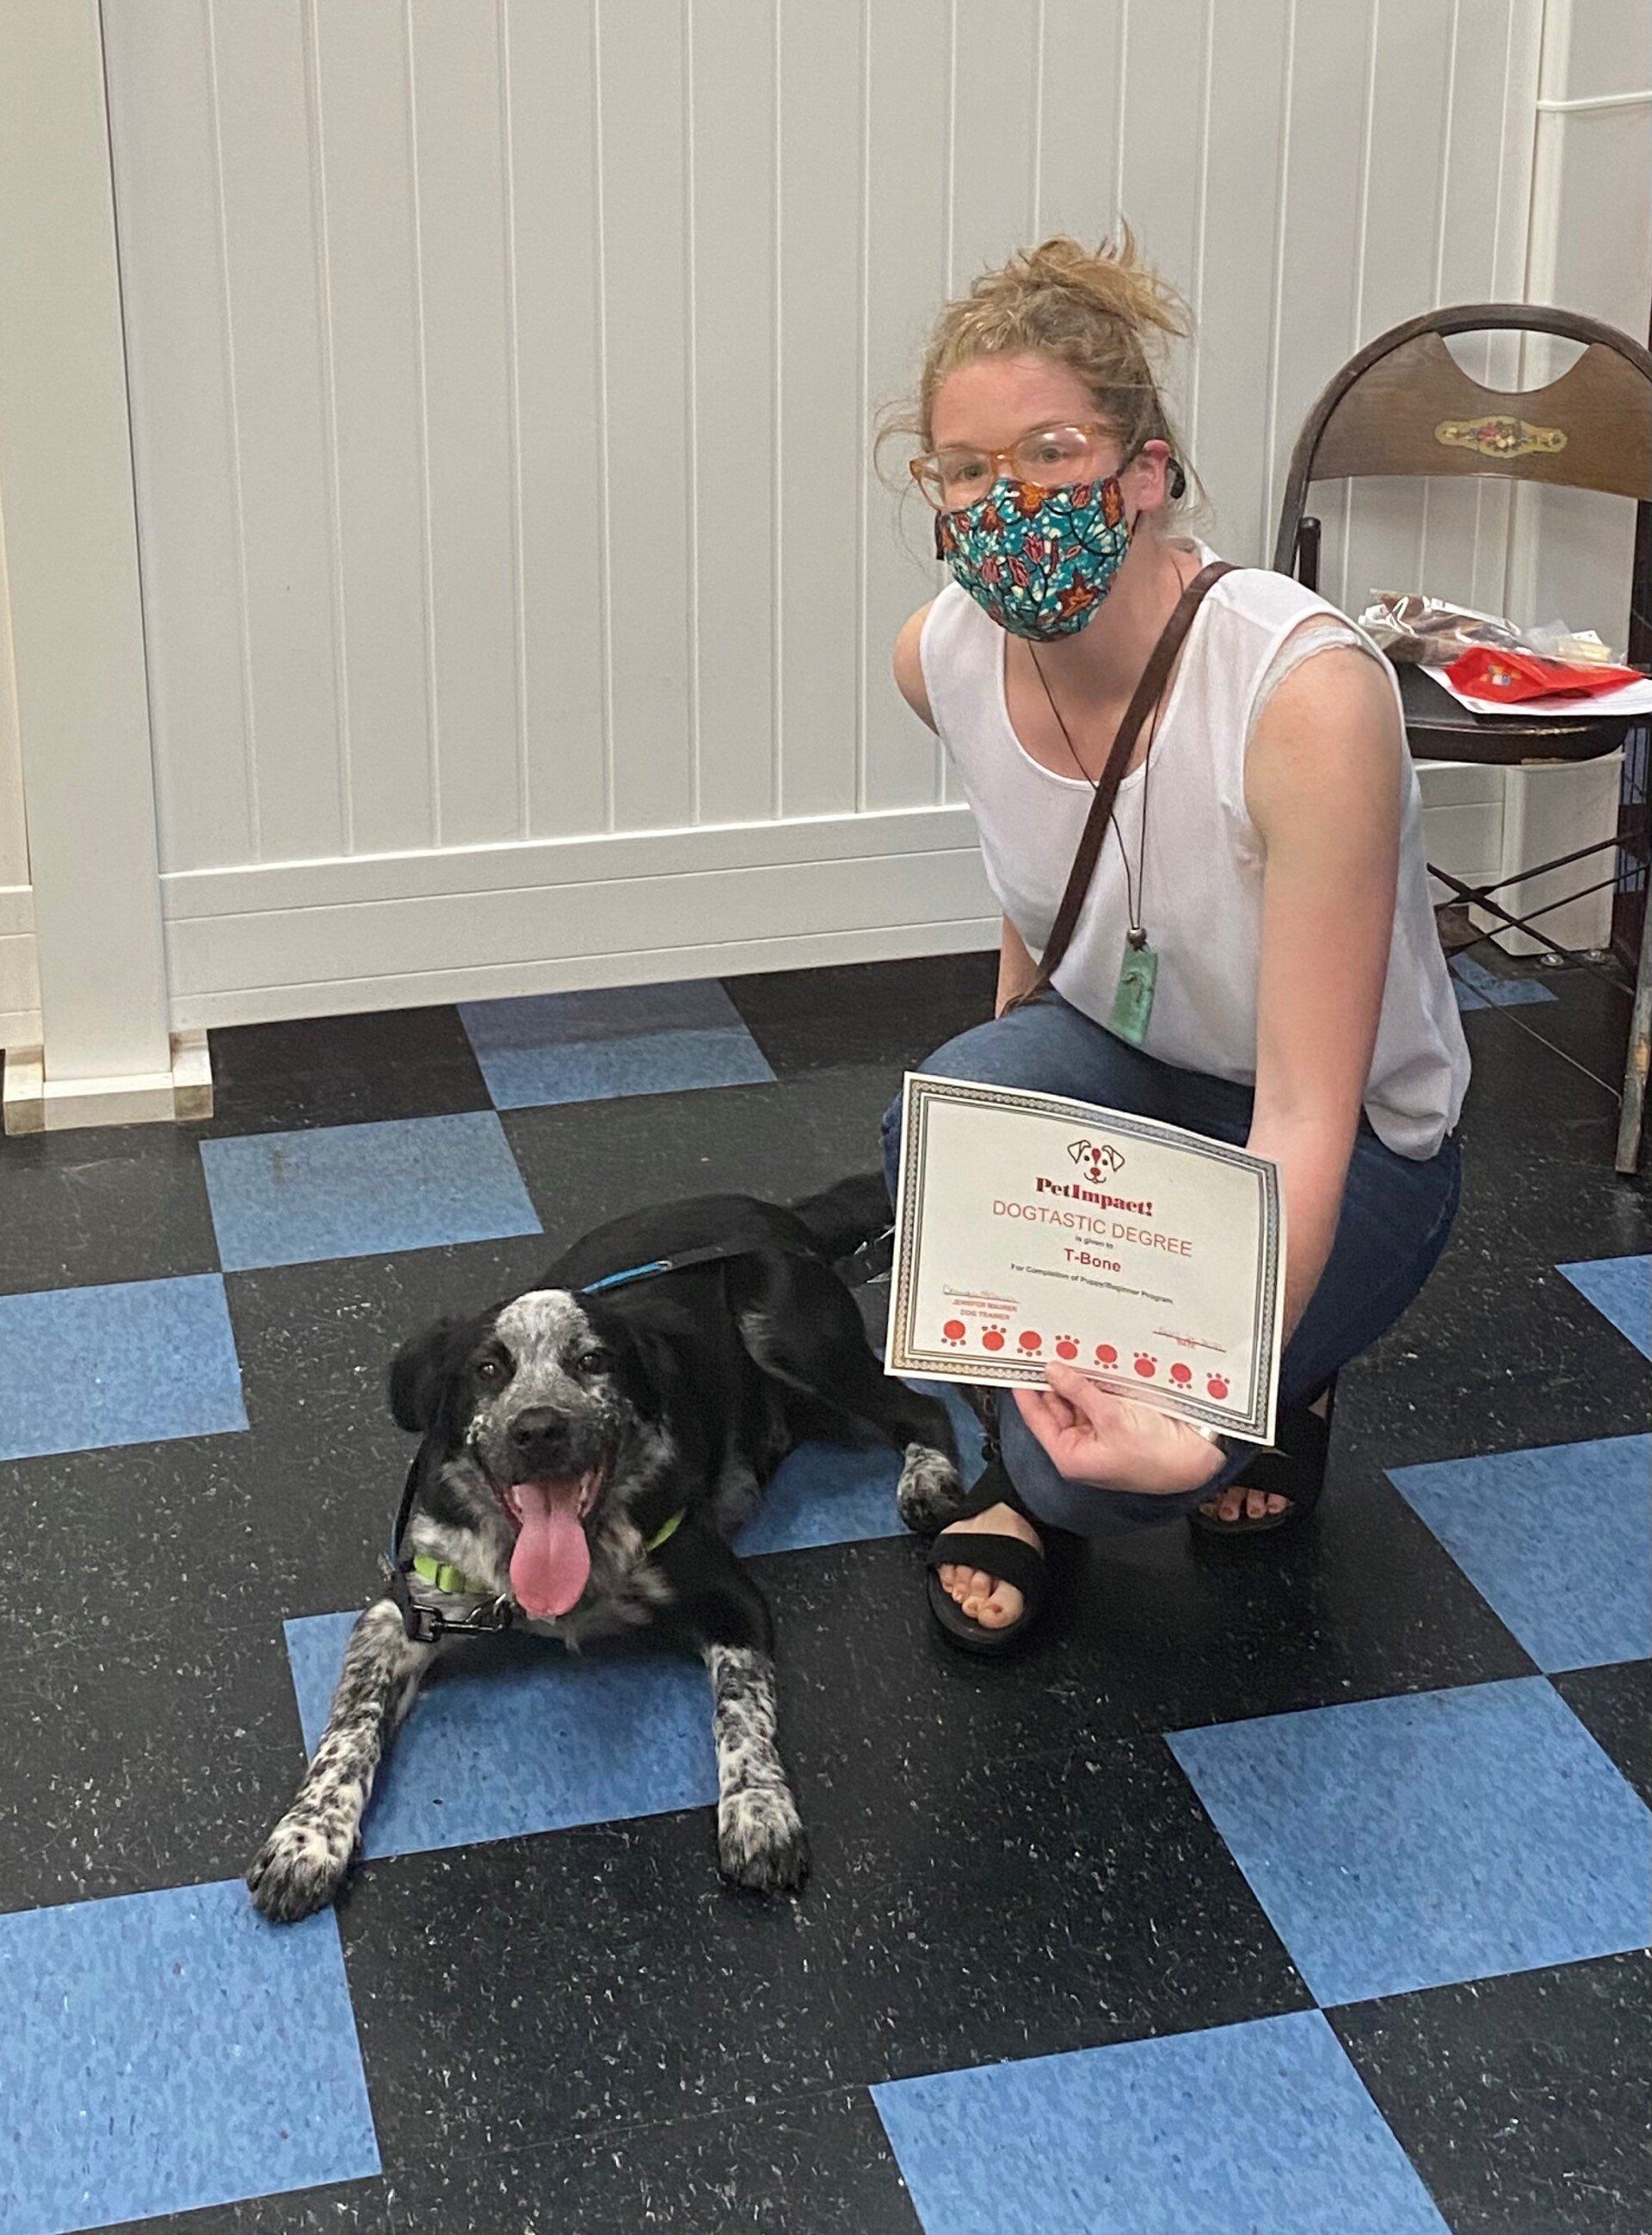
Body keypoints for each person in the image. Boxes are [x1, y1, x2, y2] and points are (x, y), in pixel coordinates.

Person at [880, 233, 1468, 1652]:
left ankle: (1278, 1389)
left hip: (1343, 1141)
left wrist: (1217, 1380)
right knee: (936, 1137)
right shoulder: (941, 654)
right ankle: (1033, 1470)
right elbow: (1038, 894)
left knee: (1118, 1478)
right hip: (1132, 1060)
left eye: (1051, 451)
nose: (1004, 500)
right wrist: (996, 1113)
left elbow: (1310, 1106)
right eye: (964, 471)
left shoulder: (1301, 694)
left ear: (1146, 472)